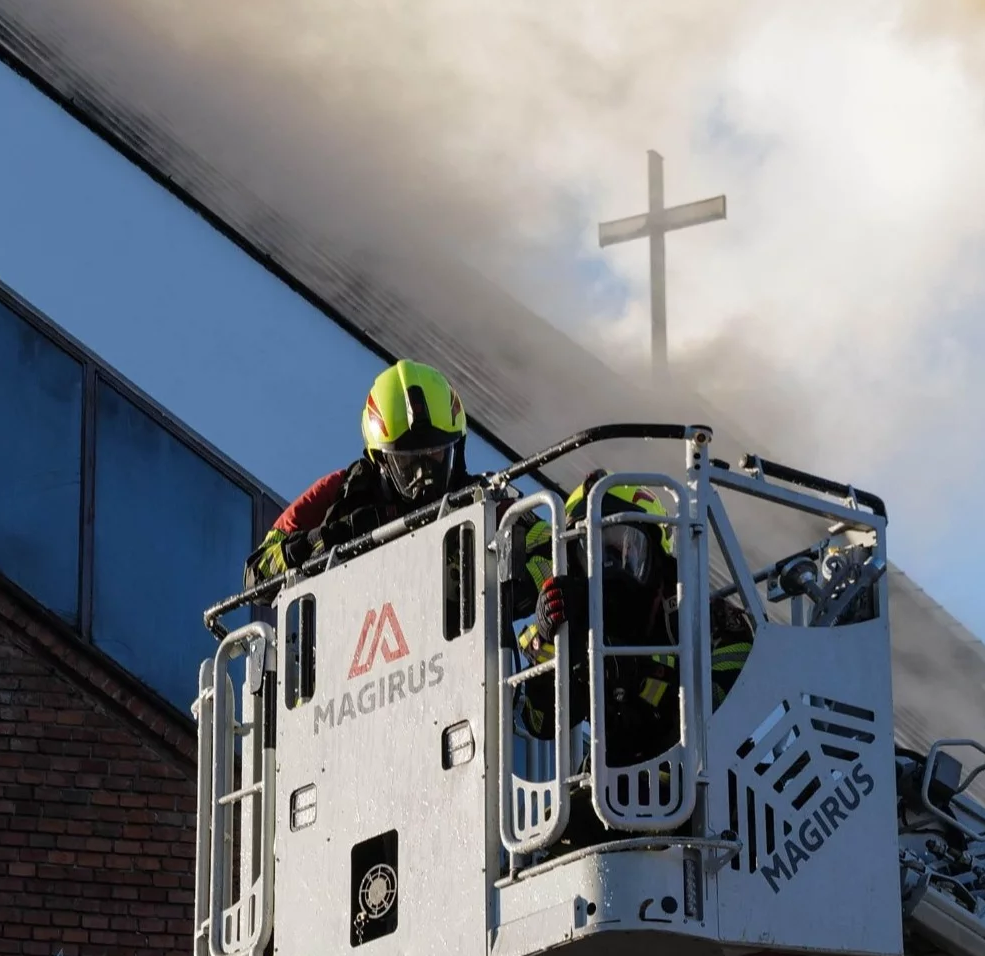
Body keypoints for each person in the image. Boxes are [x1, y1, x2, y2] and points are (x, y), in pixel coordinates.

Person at [511, 473, 753, 845]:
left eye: (625, 549)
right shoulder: (576, 624)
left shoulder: (701, 618)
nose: (610, 568)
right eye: (593, 554)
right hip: (614, 789)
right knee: (557, 829)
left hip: (707, 793)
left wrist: (633, 676)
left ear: (655, 556)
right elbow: (539, 721)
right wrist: (555, 640)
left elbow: (718, 713)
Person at [246, 359, 470, 587]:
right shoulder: (339, 491)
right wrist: (330, 539)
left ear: (456, 449)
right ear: (381, 459)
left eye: (436, 453)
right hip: (357, 617)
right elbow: (256, 573)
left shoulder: (484, 500)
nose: (423, 472)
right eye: (406, 459)